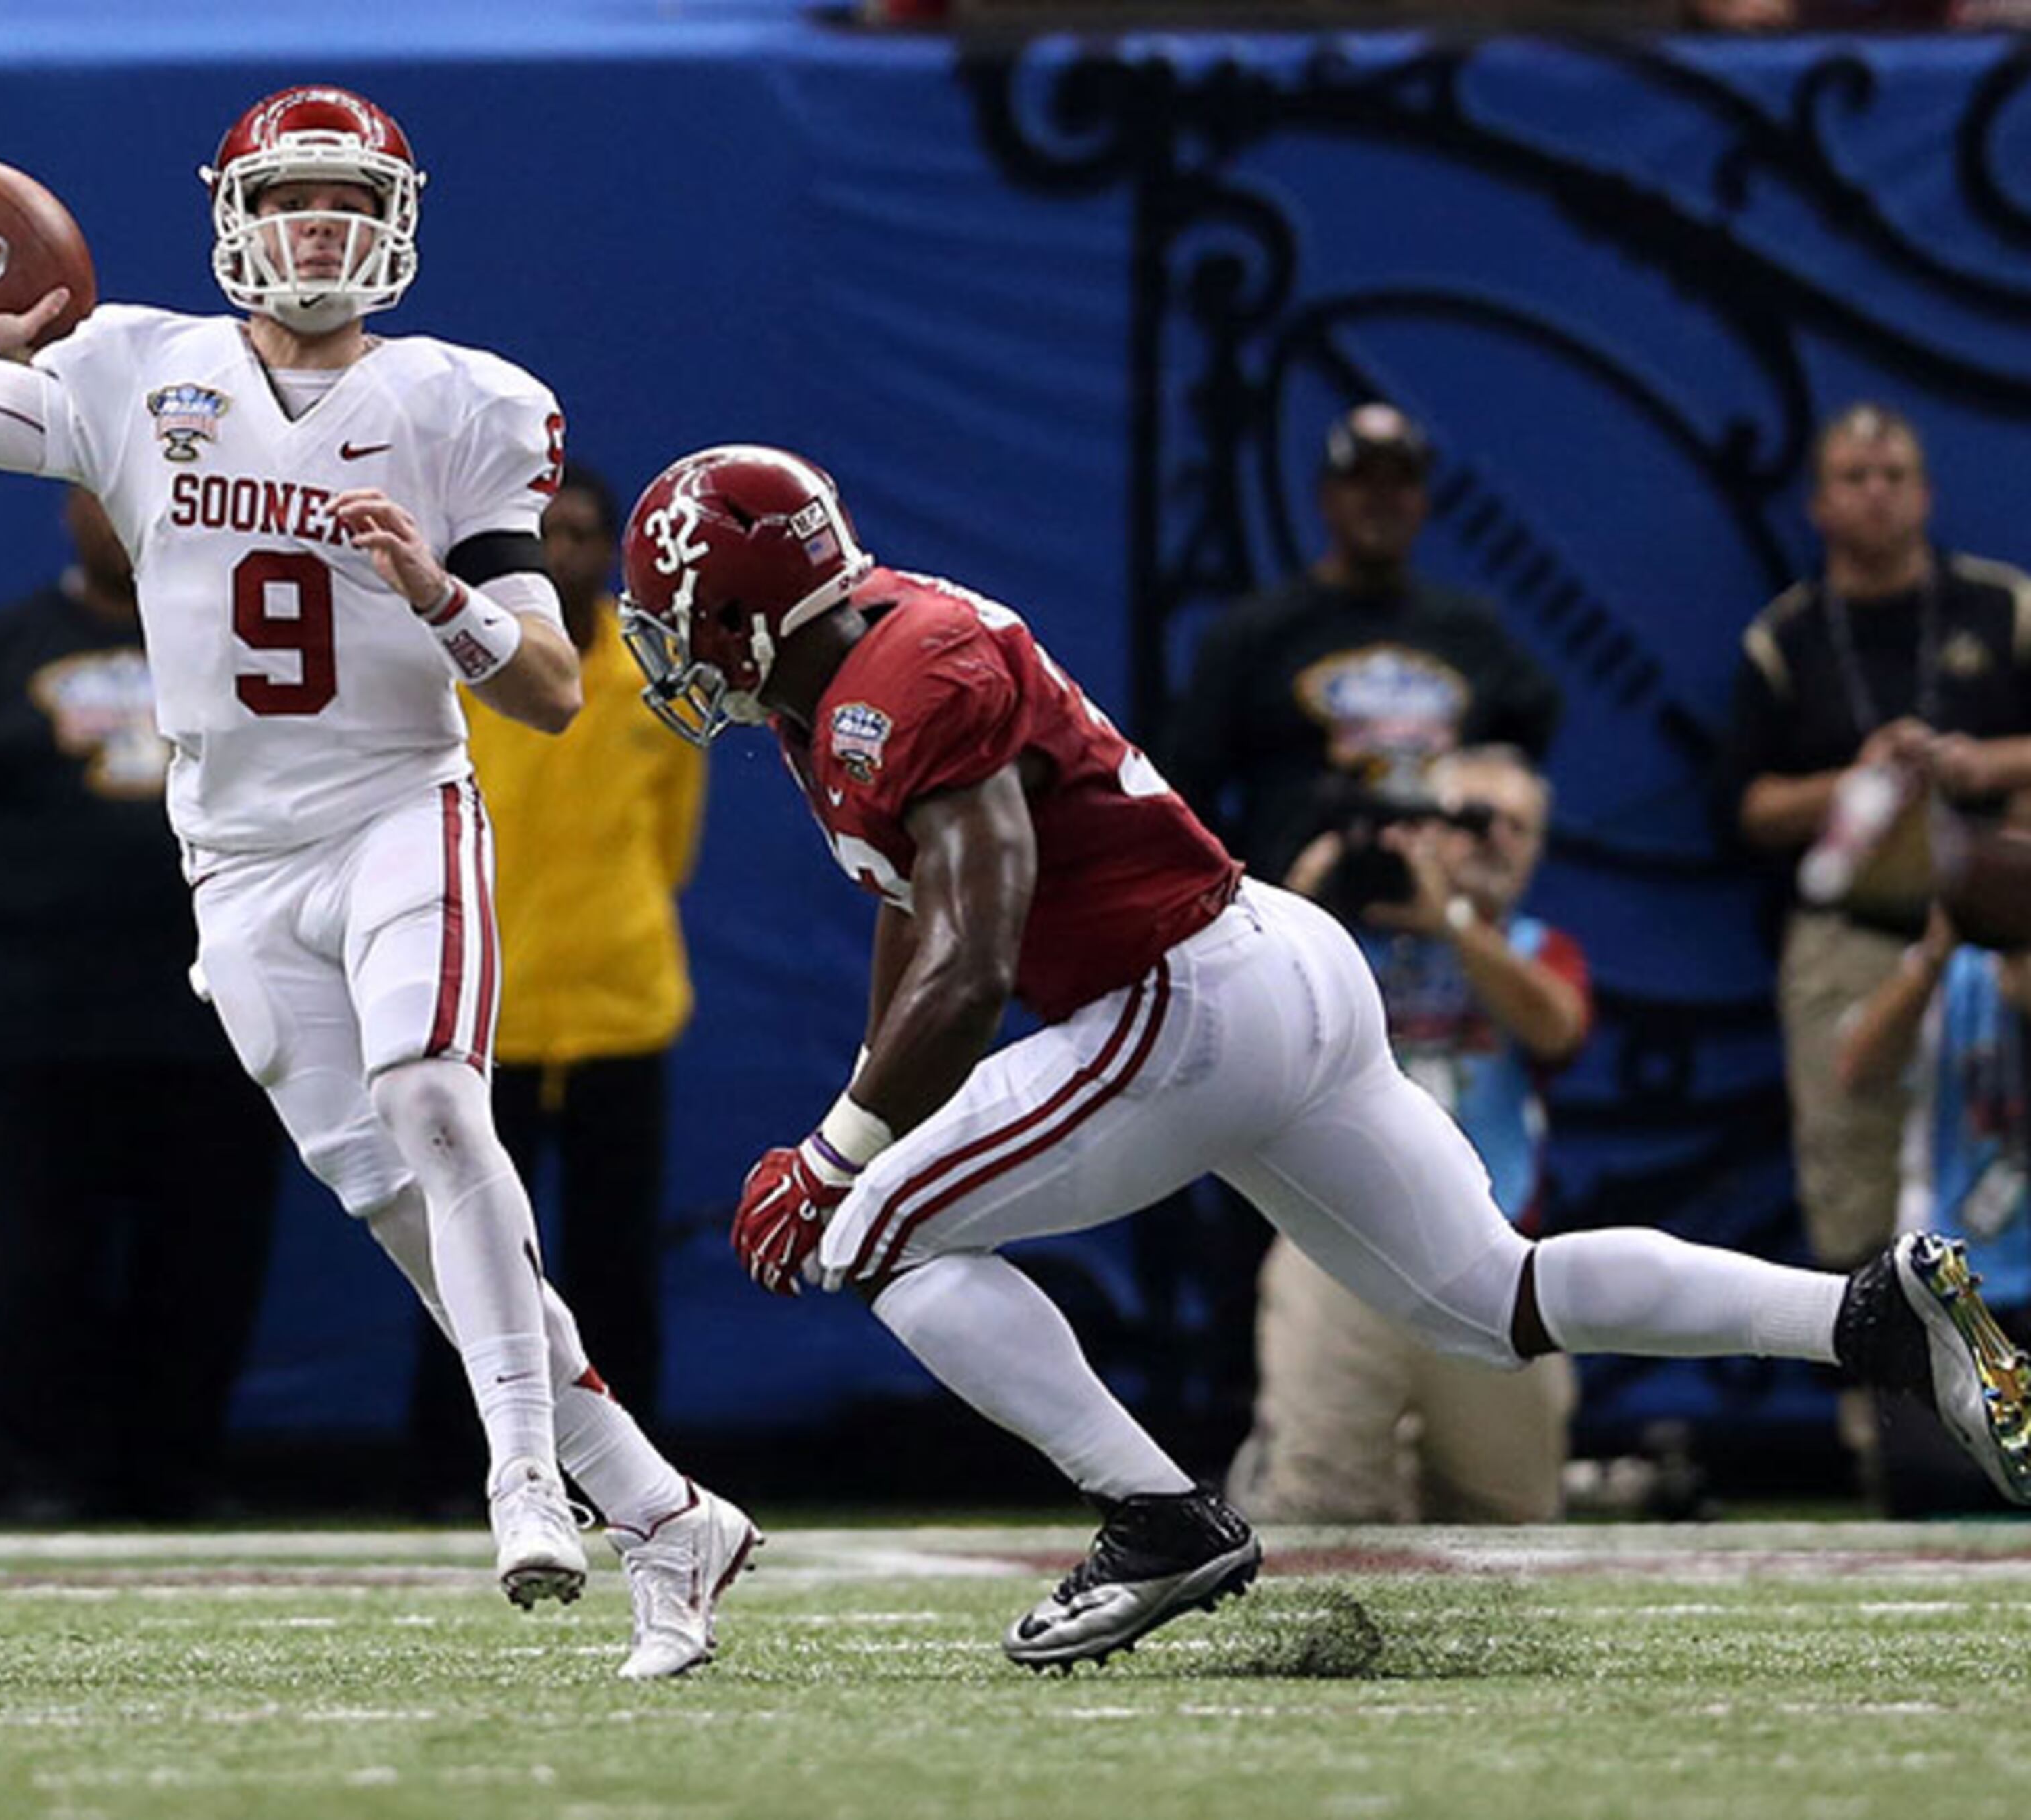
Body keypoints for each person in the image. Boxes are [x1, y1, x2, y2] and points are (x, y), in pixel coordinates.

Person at [616, 442, 2030, 1672]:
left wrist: (834, 1155)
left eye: (677, 618)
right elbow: (917, 910)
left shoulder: (893, 680)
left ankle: (1160, 1514)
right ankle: (1864, 1317)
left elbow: (978, 962)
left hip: (1179, 998)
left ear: (744, 611)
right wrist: (854, 1114)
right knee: (1490, 1293)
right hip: (1274, 959)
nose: (669, 651)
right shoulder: (849, 674)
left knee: (872, 1234)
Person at [0, 84, 754, 1679]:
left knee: (435, 1104)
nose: (315, 228)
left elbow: (543, 685)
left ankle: (525, 1478)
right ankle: (665, 1510)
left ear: (392, 220)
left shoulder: (466, 400)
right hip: (237, 863)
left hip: (400, 808)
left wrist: (433, 593)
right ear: (235, 216)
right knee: (397, 1201)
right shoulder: (136, 364)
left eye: (344, 198)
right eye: (289, 199)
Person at [0, 486, 289, 1522]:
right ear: (69, 512)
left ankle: (176, 1466)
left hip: (225, 1016)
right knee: (43, 1253)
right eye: (101, 503)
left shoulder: (246, 640)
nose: (119, 522)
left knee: (206, 1254)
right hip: (39, 1013)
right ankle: (39, 1466)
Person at [406, 465, 706, 1498]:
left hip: (623, 999)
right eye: (550, 534)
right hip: (490, 1000)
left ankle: (632, 1473)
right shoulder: (466, 658)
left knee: (616, 1257)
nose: (568, 552)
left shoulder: (651, 669)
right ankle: (460, 1465)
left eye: (584, 533)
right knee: (473, 1247)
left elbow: (672, 836)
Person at [1233, 744, 1588, 1523]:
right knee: (1322, 1497)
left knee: (1511, 1512)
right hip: (1336, 1241)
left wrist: (1452, 920)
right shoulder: (1332, 939)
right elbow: (1243, 999)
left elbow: (1557, 1028)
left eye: (1513, 828)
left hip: (1487, 1249)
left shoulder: (1533, 947)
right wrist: (1305, 891)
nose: (1489, 842)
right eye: (1467, 821)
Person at [1722, 403, 2031, 1283]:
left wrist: (1979, 764)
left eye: (1894, 476)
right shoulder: (1785, 637)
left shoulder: (2002, 607)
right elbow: (1743, 809)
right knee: (1856, 1162)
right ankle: (1883, 1407)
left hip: (2004, 935)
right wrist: (1855, 780)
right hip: (1856, 934)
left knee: (2005, 1142)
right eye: (1854, 478)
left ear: (1927, 495)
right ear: (1819, 506)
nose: (1877, 495)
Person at [1167, 403, 1562, 886]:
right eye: (1363, 482)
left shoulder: (1470, 630)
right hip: (1302, 904)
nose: (1382, 499)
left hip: (1442, 919)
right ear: (1327, 495)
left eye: (1400, 483)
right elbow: (1186, 784)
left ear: (1423, 501)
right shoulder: (1258, 631)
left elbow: (1525, 749)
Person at [1838, 904, 2031, 1515]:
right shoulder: (1953, 972)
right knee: (1935, 1495)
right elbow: (1857, 1070)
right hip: (1953, 1284)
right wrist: (1930, 960)